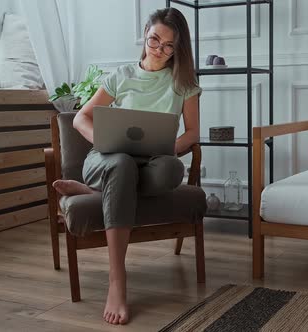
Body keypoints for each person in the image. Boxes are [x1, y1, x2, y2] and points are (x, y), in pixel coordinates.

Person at [52, 7, 201, 325]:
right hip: (109, 159)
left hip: (152, 163)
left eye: (168, 45)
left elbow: (192, 133)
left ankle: (96, 191)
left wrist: (165, 147)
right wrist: (105, 142)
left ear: (178, 48)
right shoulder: (121, 76)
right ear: (145, 33)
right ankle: (117, 281)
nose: (158, 50)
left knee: (171, 170)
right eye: (153, 40)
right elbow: (81, 117)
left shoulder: (183, 82)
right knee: (120, 165)